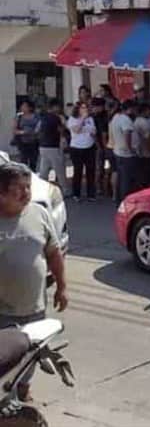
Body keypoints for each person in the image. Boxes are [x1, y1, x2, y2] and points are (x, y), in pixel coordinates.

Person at [0, 162, 67, 403]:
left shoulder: (39, 214)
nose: (27, 193)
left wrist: (62, 287)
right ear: (2, 192)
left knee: (30, 355)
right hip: (2, 312)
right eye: (20, 189)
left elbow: (53, 253)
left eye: (28, 187)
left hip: (34, 306)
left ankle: (23, 389)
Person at [66, 103, 97, 202]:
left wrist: (93, 134)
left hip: (89, 146)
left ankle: (91, 194)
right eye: (83, 108)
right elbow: (76, 130)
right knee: (78, 171)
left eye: (86, 107)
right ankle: (76, 194)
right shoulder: (72, 119)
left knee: (90, 171)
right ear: (78, 109)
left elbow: (93, 131)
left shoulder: (90, 119)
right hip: (77, 147)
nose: (85, 109)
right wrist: (83, 119)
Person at [38, 99, 70, 196]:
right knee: (59, 169)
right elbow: (61, 130)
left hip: (43, 146)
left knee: (44, 170)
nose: (59, 108)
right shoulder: (56, 118)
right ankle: (65, 190)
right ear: (54, 107)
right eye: (58, 106)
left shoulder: (43, 117)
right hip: (53, 146)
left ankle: (41, 190)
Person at [111, 100, 137, 203]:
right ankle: (125, 201)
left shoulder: (115, 117)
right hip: (126, 154)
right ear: (130, 109)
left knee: (121, 178)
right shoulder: (126, 120)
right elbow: (127, 134)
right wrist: (130, 148)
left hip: (117, 150)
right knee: (126, 180)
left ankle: (118, 200)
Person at [132, 103, 150, 191]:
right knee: (146, 174)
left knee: (141, 174)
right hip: (144, 152)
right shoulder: (143, 122)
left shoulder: (136, 121)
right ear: (146, 111)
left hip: (138, 151)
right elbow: (147, 139)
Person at [90, 98, 110, 197]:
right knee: (100, 167)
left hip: (94, 145)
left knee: (99, 167)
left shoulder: (93, 117)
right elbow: (103, 134)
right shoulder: (101, 117)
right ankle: (100, 188)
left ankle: (99, 187)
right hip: (100, 145)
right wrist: (103, 147)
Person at [14, 100, 40, 170]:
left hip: (34, 142)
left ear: (30, 107)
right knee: (23, 162)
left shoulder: (36, 116)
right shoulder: (18, 116)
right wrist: (24, 132)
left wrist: (35, 132)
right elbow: (14, 130)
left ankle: (32, 175)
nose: (22, 107)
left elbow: (39, 127)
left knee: (33, 161)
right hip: (22, 142)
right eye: (22, 106)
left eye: (25, 106)